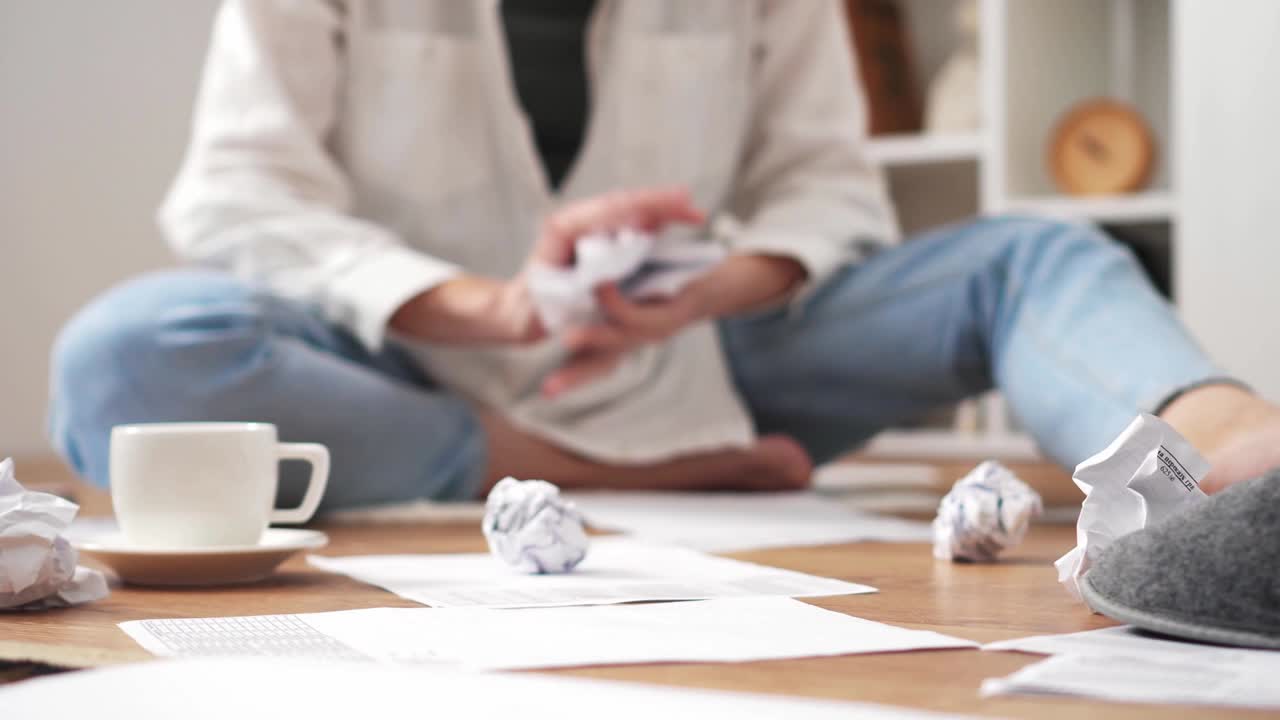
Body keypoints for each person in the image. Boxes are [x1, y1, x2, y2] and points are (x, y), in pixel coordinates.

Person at [49, 1, 1280, 510]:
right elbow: (237, 191)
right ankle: (553, 473)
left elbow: (822, 182)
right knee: (122, 361)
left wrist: (714, 282)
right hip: (409, 367)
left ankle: (1230, 466)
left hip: (704, 359)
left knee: (1030, 256)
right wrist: (489, 306)